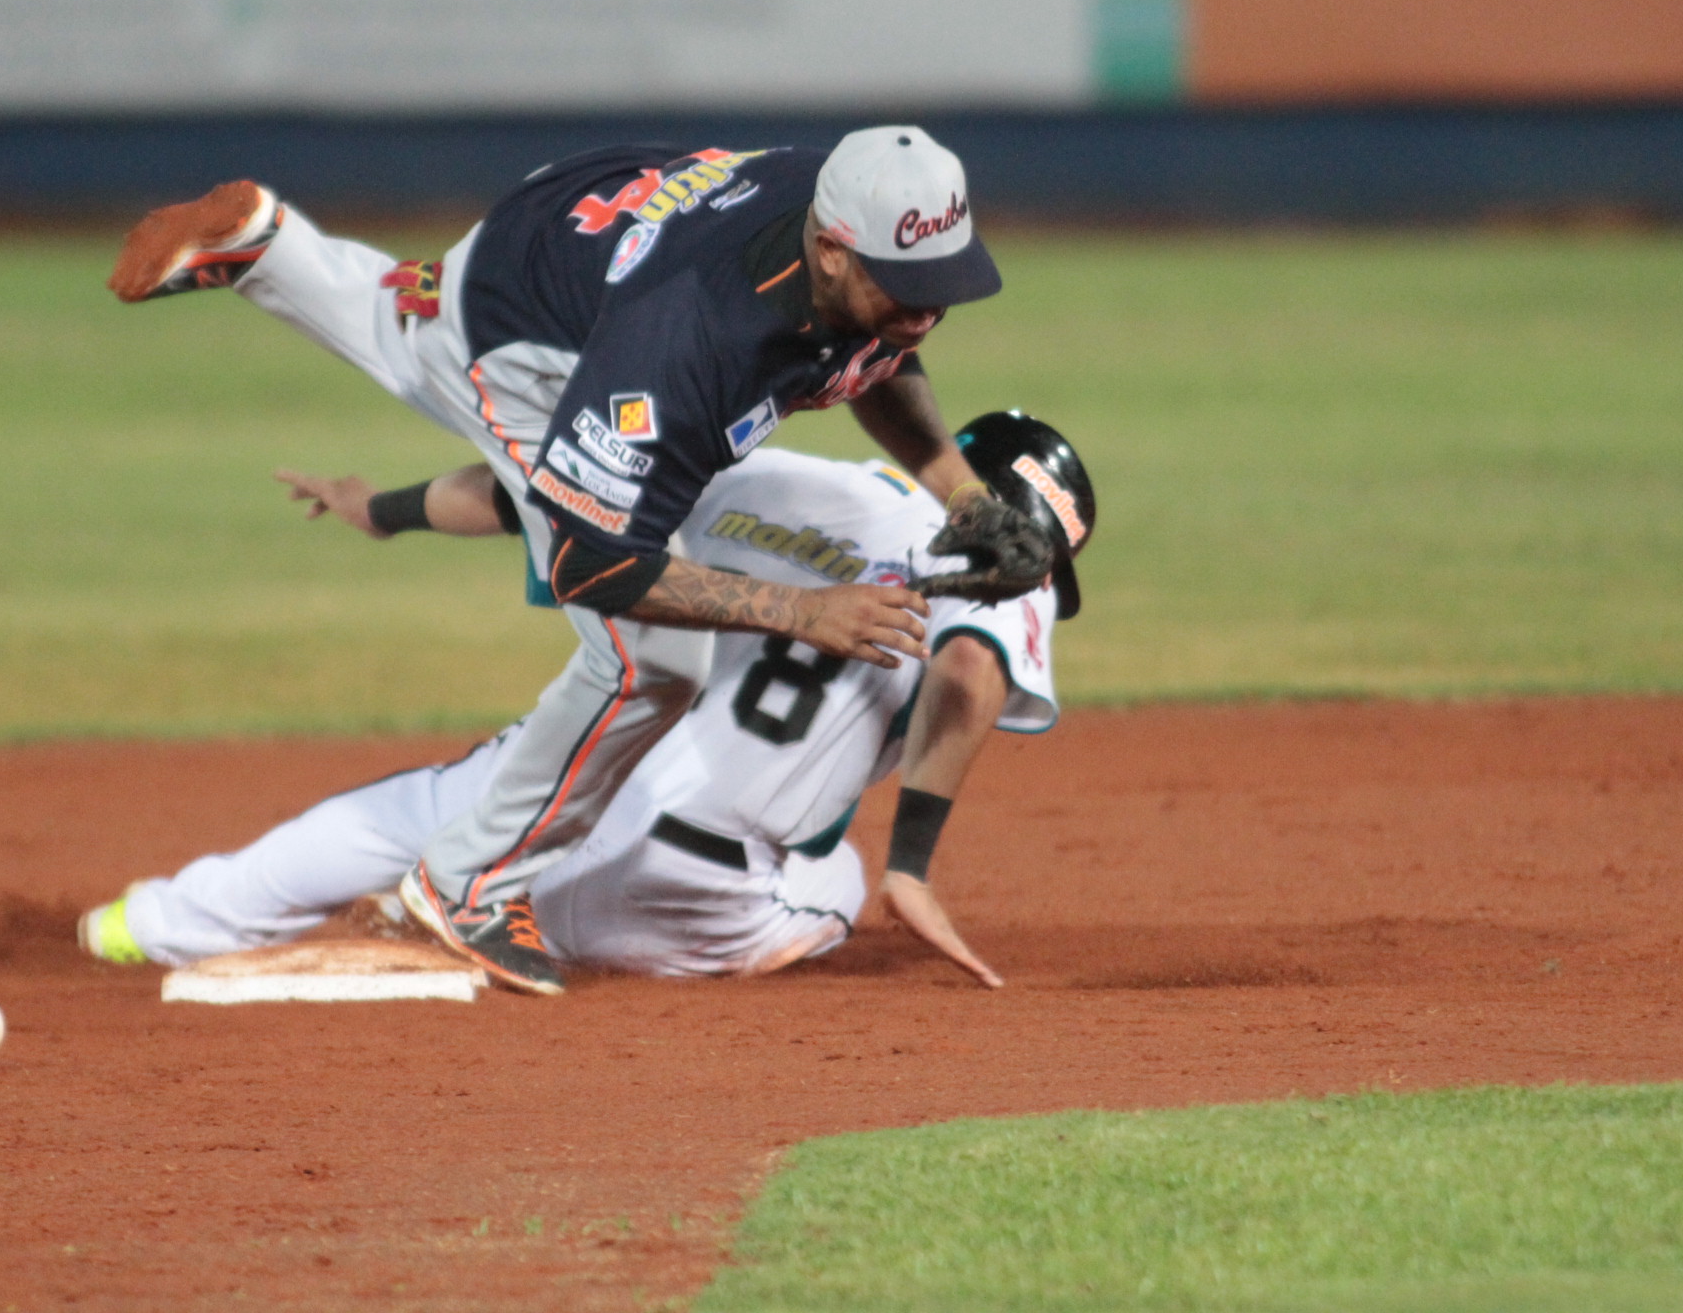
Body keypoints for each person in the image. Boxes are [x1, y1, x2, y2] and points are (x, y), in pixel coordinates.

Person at [107, 130, 1055, 994]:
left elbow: (874, 353)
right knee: (652, 661)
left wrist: (962, 494)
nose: (930, 306)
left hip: (572, 232)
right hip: (539, 343)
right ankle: (470, 880)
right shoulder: (686, 346)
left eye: (944, 278)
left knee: (415, 330)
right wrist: (800, 610)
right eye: (907, 280)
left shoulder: (853, 217)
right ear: (832, 251)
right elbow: (593, 567)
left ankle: (267, 246)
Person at [78, 415, 1095, 986]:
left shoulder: (791, 480)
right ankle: (455, 936)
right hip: (693, 902)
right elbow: (967, 671)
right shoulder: (1010, 568)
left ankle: (145, 923)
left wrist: (381, 510)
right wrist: (913, 867)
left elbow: (561, 489)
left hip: (573, 787)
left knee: (421, 801)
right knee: (839, 878)